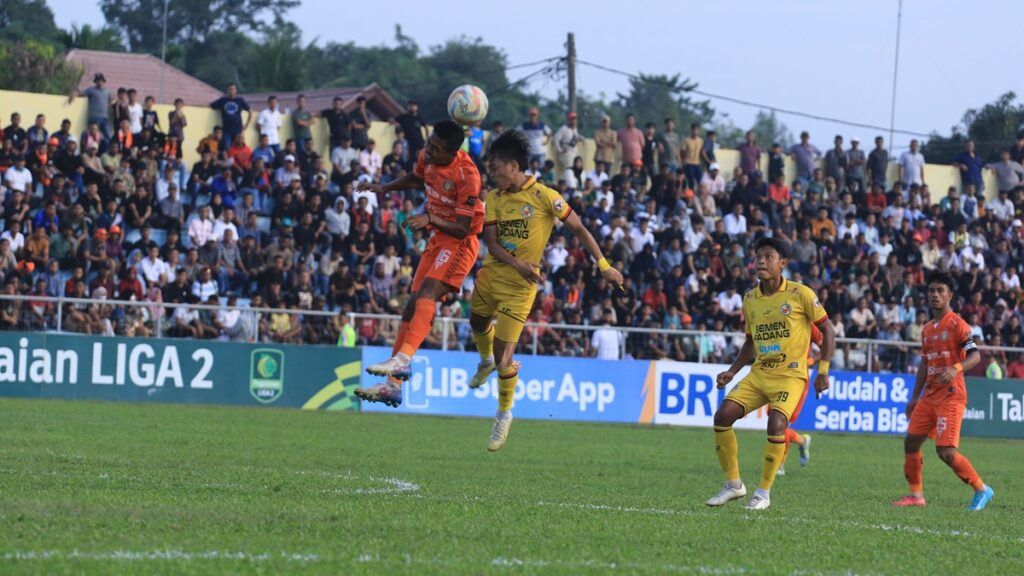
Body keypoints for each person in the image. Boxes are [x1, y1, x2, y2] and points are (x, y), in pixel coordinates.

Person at [465, 130, 624, 451]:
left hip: (520, 290)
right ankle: (484, 361)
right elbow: (492, 246)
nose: (491, 173)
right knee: (477, 323)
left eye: (495, 167)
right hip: (492, 277)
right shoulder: (493, 198)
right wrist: (518, 263)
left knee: (505, 357)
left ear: (513, 166)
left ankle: (503, 414)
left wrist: (604, 265)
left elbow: (579, 228)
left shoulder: (544, 197)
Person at [353, 120, 484, 406]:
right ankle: (392, 386)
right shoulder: (429, 155)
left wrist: (428, 218)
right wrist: (383, 188)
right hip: (438, 238)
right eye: (429, 144)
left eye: (435, 148)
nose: (428, 150)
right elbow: (417, 177)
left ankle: (402, 360)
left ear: (452, 152)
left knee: (427, 295)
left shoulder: (468, 175)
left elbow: (462, 228)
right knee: (412, 306)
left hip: (460, 243)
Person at [707, 237, 835, 510]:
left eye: (768, 256)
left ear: (782, 263)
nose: (761, 261)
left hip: (790, 376)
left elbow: (829, 330)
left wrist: (823, 371)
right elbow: (751, 341)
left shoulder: (800, 293)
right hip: (759, 374)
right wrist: (732, 371)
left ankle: (763, 493)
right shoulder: (750, 299)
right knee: (723, 416)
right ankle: (733, 485)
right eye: (757, 256)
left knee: (776, 425)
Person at [893, 271, 994, 511]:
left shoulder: (958, 325)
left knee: (945, 451)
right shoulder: (927, 329)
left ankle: (982, 489)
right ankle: (916, 496)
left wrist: (955, 368)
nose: (935, 295)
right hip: (929, 396)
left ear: (949, 295)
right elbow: (925, 364)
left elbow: (975, 355)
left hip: (951, 395)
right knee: (911, 442)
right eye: (931, 291)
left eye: (940, 291)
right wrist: (914, 398)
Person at [209, 83, 251, 150]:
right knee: (227, 147)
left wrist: (246, 125)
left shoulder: (240, 100)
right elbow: (210, 105)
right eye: (230, 89)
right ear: (227, 91)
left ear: (236, 90)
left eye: (233, 89)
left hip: (238, 129)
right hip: (226, 130)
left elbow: (250, 111)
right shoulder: (222, 100)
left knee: (239, 147)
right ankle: (228, 160)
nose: (231, 91)